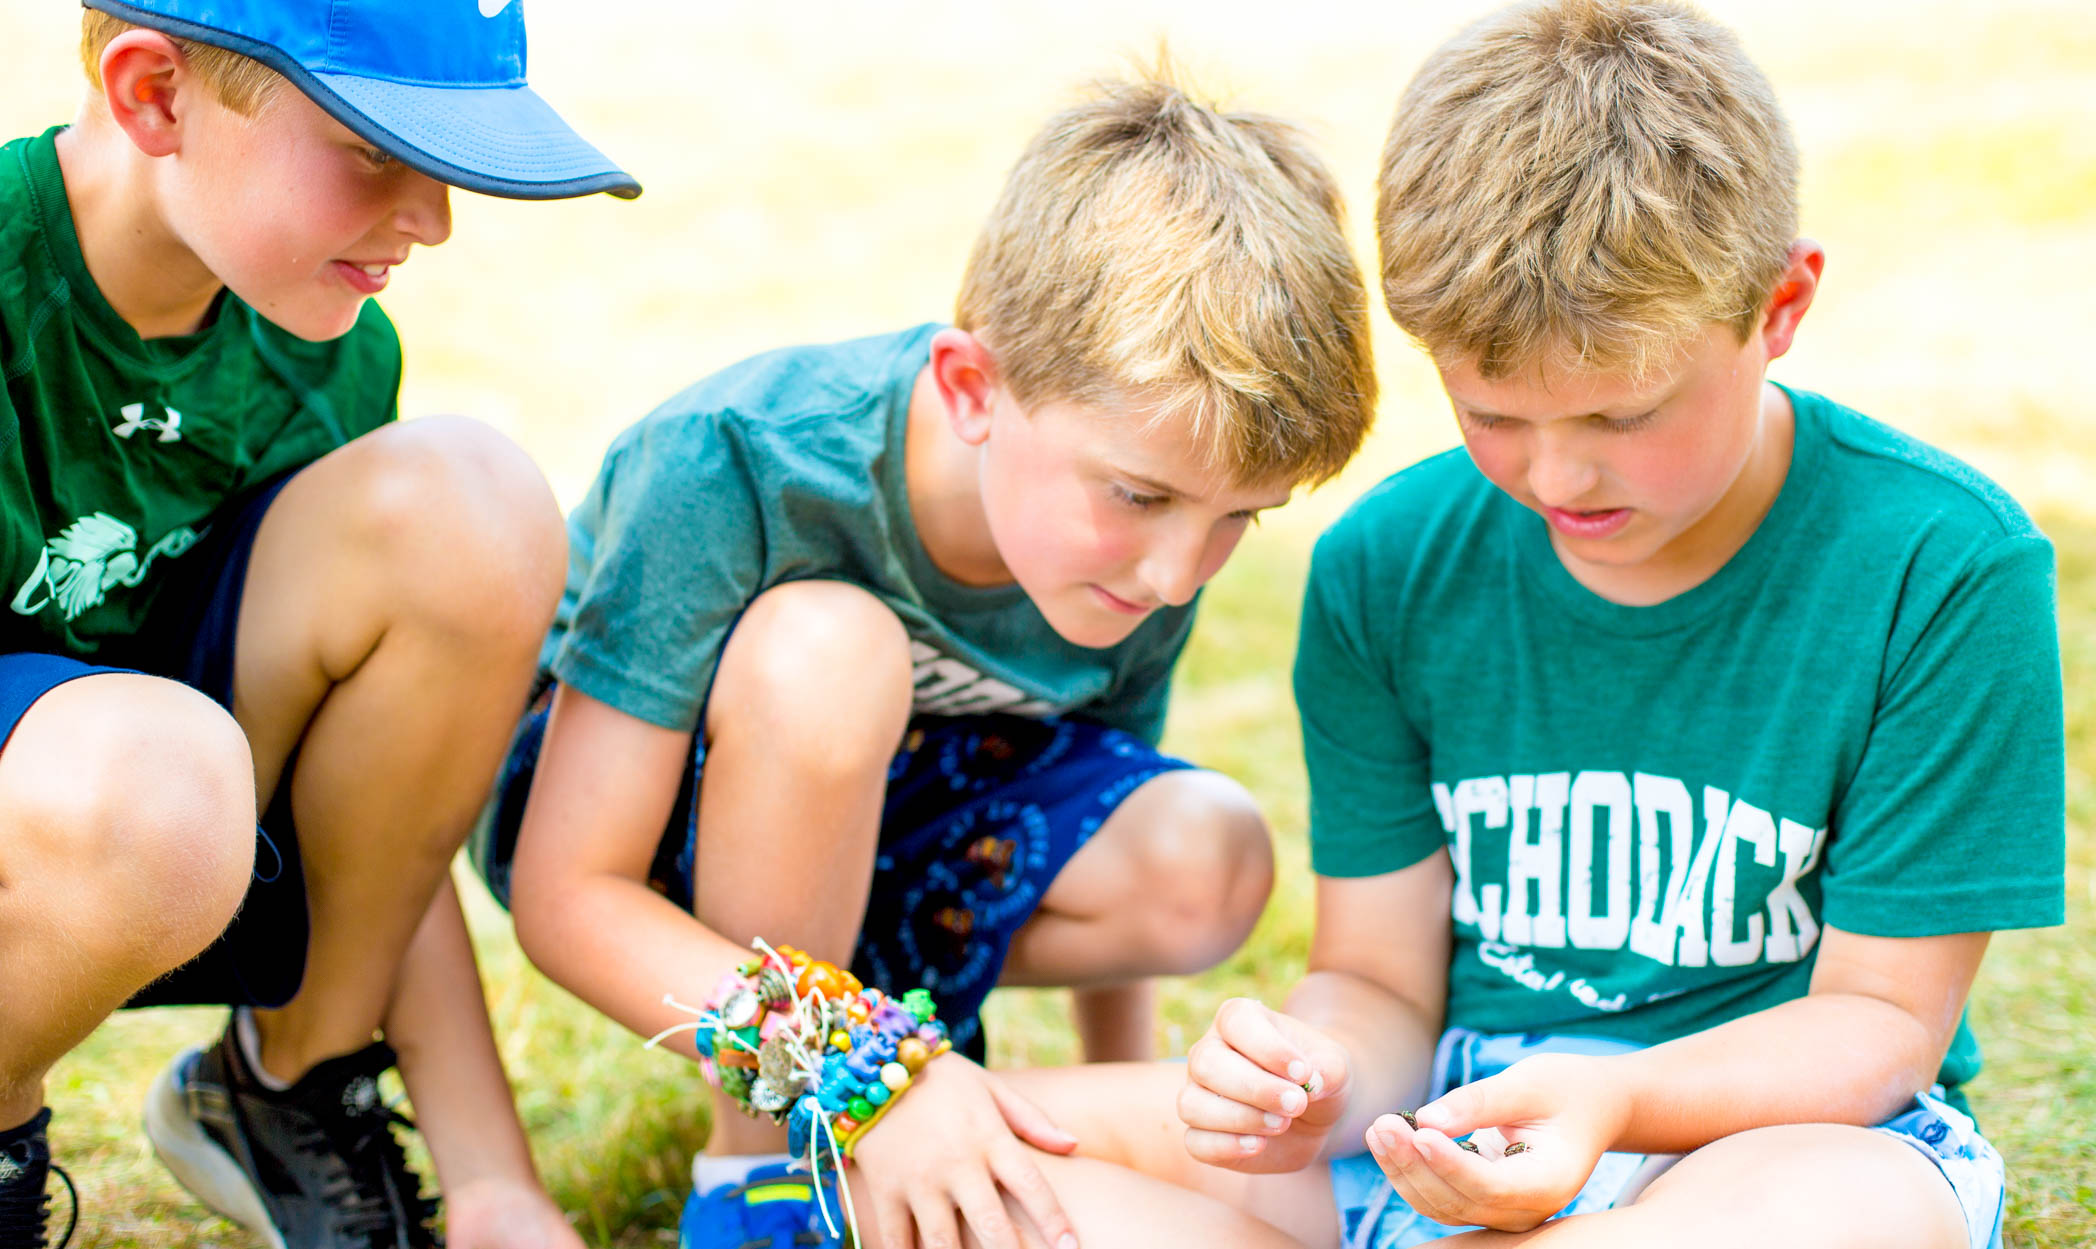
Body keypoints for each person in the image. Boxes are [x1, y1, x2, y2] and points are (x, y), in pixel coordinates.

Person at [893, 3, 2067, 1247]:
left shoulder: (1941, 564)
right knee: (949, 1154)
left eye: (1621, 419)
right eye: (1494, 414)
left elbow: (1880, 1026)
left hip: (1771, 1140)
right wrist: (1319, 1075)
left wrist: (1615, 1097)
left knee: (1848, 1212)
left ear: (1780, 305)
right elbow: (1381, 982)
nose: (1557, 479)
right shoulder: (1387, 566)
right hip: (1444, 1133)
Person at [468, 68, 1377, 1249]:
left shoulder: (1133, 537)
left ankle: (890, 1079)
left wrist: (1150, 1108)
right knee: (829, 651)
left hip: (902, 816)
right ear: (971, 388)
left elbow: (1106, 776)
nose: (1175, 572)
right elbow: (566, 896)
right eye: (1142, 497)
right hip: (642, 828)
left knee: (1207, 845)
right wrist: (856, 1069)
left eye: (1234, 520)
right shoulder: (737, 461)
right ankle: (761, 1176)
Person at [0, 1, 639, 1245]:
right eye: (372, 150)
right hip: (100, 809)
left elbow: (385, 813)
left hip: (175, 821)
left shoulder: (327, 352)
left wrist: (496, 1180)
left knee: (477, 501)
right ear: (154, 96)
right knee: (156, 775)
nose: (435, 220)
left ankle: (291, 1090)